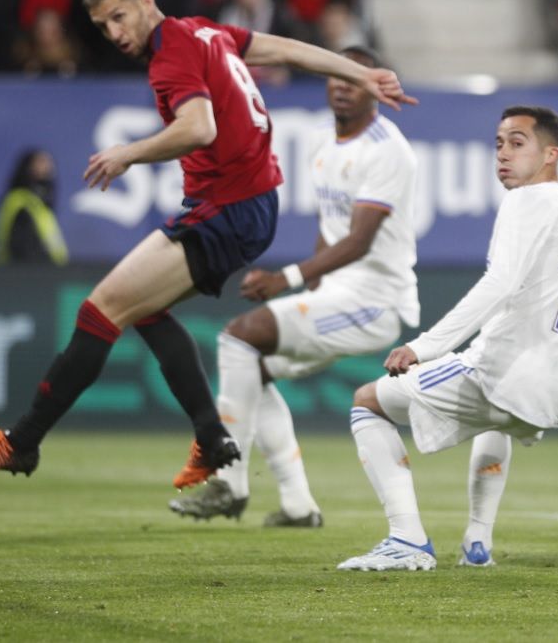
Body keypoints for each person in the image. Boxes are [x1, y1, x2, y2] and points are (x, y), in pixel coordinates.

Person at [0, 0, 415, 490]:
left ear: (146, 0)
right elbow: (283, 49)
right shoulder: (205, 31)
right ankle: (212, 439)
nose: (115, 33)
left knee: (99, 310)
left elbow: (198, 127)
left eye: (119, 17)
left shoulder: (173, 53)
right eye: (103, 27)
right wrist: (359, 73)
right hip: (247, 205)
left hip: (228, 207)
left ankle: (22, 443)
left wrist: (129, 153)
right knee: (144, 310)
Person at [337, 106, 558, 571]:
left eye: (518, 143)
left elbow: (498, 284)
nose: (503, 153)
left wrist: (425, 346)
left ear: (550, 154)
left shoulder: (528, 201)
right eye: (499, 143)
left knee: (367, 402)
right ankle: (478, 541)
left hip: (507, 370)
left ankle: (407, 539)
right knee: (496, 419)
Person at [169, 45, 419, 527]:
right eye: (338, 77)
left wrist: (286, 280)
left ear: (373, 88)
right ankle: (298, 505)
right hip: (338, 295)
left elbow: (360, 241)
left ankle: (230, 482)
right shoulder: (326, 145)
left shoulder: (389, 151)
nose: (343, 86)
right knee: (251, 363)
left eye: (356, 79)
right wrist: (311, 289)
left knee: (240, 335)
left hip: (374, 301)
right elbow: (331, 228)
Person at [0, 148, 68, 265]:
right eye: (41, 162)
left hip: (49, 275)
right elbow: (21, 248)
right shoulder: (20, 202)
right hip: (25, 276)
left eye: (49, 162)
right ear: (28, 167)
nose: (48, 167)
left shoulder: (41, 204)